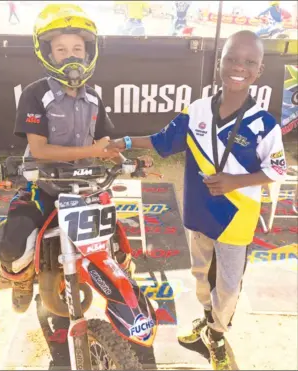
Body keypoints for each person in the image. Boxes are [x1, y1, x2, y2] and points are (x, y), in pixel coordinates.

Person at [107, 30, 287, 370]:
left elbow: (276, 170)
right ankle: (207, 321)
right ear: (219, 62)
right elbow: (164, 139)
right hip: (200, 212)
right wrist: (125, 141)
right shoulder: (198, 110)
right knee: (201, 275)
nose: (239, 67)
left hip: (237, 217)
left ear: (260, 71)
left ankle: (217, 335)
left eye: (250, 62)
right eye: (232, 58)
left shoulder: (264, 123)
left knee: (229, 286)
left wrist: (237, 181)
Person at [0, 4, 140, 314]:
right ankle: (21, 280)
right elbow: (39, 151)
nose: (71, 55)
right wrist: (92, 151)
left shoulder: (93, 97)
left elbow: (107, 142)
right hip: (45, 184)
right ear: (47, 54)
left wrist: (127, 159)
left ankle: (121, 287)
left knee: (117, 241)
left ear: (89, 52)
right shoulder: (36, 94)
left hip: (85, 187)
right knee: (14, 243)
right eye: (61, 49)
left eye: (77, 47)